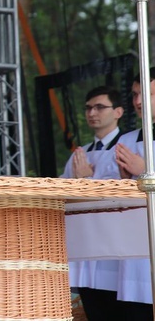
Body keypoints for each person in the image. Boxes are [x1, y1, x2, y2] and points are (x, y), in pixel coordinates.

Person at [60, 85, 125, 320]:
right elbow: (62, 193)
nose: (92, 113)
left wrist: (87, 181)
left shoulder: (128, 147)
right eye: (88, 108)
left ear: (118, 111)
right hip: (87, 245)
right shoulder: (81, 153)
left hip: (117, 244)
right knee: (94, 309)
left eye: (99, 107)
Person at [109, 69, 155, 320]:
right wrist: (126, 181)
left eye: (147, 94)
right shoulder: (126, 140)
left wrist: (144, 173)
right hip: (135, 244)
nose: (138, 101)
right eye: (136, 94)